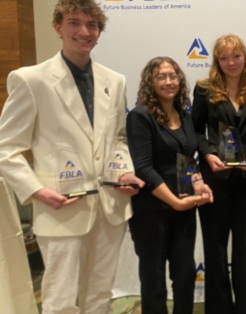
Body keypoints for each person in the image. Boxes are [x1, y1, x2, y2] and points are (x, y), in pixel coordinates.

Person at [0, 1, 144, 313]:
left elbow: (117, 139)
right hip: (60, 208)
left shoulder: (114, 81)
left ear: (99, 32)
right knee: (60, 301)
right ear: (57, 27)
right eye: (74, 23)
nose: (83, 31)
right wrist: (36, 190)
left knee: (99, 297)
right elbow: (6, 147)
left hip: (110, 208)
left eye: (92, 25)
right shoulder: (31, 79)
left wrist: (124, 172)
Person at [126, 56, 213, 314]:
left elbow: (186, 156)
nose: (168, 82)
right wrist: (174, 202)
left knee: (185, 275)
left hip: (184, 207)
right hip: (151, 210)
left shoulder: (184, 114)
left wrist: (198, 182)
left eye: (172, 76)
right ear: (150, 82)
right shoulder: (140, 116)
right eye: (160, 77)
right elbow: (143, 167)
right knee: (154, 280)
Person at [192, 34, 246, 314]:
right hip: (215, 180)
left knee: (244, 249)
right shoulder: (204, 90)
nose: (230, 62)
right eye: (223, 57)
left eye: (235, 56)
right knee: (215, 248)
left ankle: (243, 309)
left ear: (244, 58)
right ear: (216, 61)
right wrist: (209, 155)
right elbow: (196, 131)